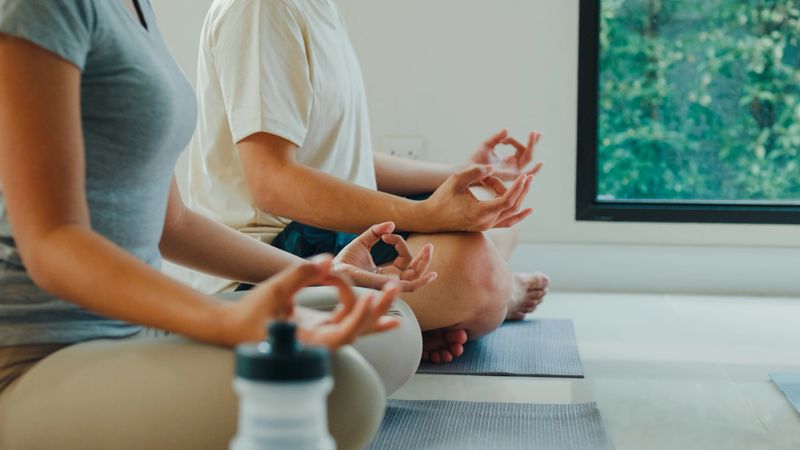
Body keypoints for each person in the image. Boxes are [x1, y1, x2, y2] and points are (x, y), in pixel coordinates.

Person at [0, 1, 433, 448]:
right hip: (39, 354)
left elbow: (174, 224)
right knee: (342, 388)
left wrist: (322, 274)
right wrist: (223, 320)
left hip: (134, 326)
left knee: (391, 323)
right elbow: (52, 242)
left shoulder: (135, 7)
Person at [189, 0, 551, 363]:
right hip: (267, 261)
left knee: (487, 205)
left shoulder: (319, 8)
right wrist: (426, 215)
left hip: (331, 231)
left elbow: (349, 160)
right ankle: (497, 295)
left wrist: (463, 173)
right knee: (477, 270)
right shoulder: (262, 9)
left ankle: (429, 317)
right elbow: (273, 183)